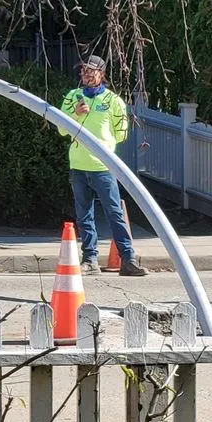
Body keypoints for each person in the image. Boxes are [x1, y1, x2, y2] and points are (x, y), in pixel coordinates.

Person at [59, 56, 147, 276]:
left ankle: (128, 259)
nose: (86, 74)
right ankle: (90, 259)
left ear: (102, 73)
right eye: (83, 71)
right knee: (84, 214)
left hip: (103, 167)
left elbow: (121, 133)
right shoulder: (72, 97)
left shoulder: (114, 101)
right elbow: (62, 129)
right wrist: (76, 115)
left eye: (91, 71)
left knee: (114, 213)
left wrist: (105, 147)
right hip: (78, 164)